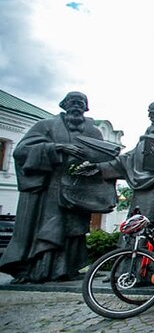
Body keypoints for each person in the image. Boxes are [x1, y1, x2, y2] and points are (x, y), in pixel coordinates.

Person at [0, 92, 109, 283]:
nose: (76, 106)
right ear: (64, 105)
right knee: (50, 229)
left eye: (81, 103)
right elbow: (20, 151)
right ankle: (38, 270)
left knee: (72, 231)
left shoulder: (93, 132)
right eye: (72, 102)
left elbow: (102, 158)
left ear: (86, 107)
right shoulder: (46, 126)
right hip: (50, 188)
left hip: (78, 189)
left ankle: (66, 270)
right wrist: (56, 148)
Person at [77, 101, 154, 225]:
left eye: (153, 114)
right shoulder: (149, 135)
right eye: (149, 114)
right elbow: (127, 159)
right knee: (135, 227)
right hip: (142, 192)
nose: (150, 117)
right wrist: (98, 167)